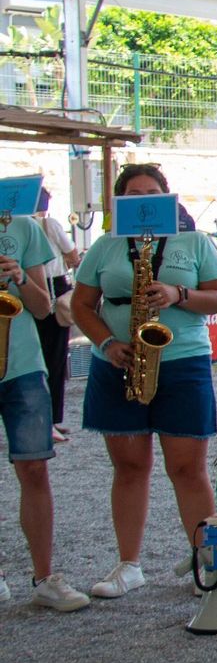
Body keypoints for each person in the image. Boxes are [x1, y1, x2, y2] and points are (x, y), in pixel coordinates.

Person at [71, 164, 217, 599]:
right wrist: (105, 343)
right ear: (122, 203)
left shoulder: (194, 242)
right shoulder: (105, 246)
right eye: (134, 194)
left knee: (187, 469)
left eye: (152, 193)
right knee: (129, 467)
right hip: (119, 361)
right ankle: (129, 564)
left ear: (167, 198)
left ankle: (209, 563)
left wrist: (178, 294)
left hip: (182, 361)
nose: (143, 200)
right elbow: (82, 305)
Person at [0, 203, 90, 610]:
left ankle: (44, 577)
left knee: (35, 468)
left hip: (21, 365)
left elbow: (42, 307)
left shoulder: (22, 227)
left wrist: (18, 276)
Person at [33, 187, 79, 443]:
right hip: (52, 287)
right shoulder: (49, 224)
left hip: (29, 289)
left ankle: (42, 420)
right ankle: (50, 420)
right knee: (54, 358)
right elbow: (72, 255)